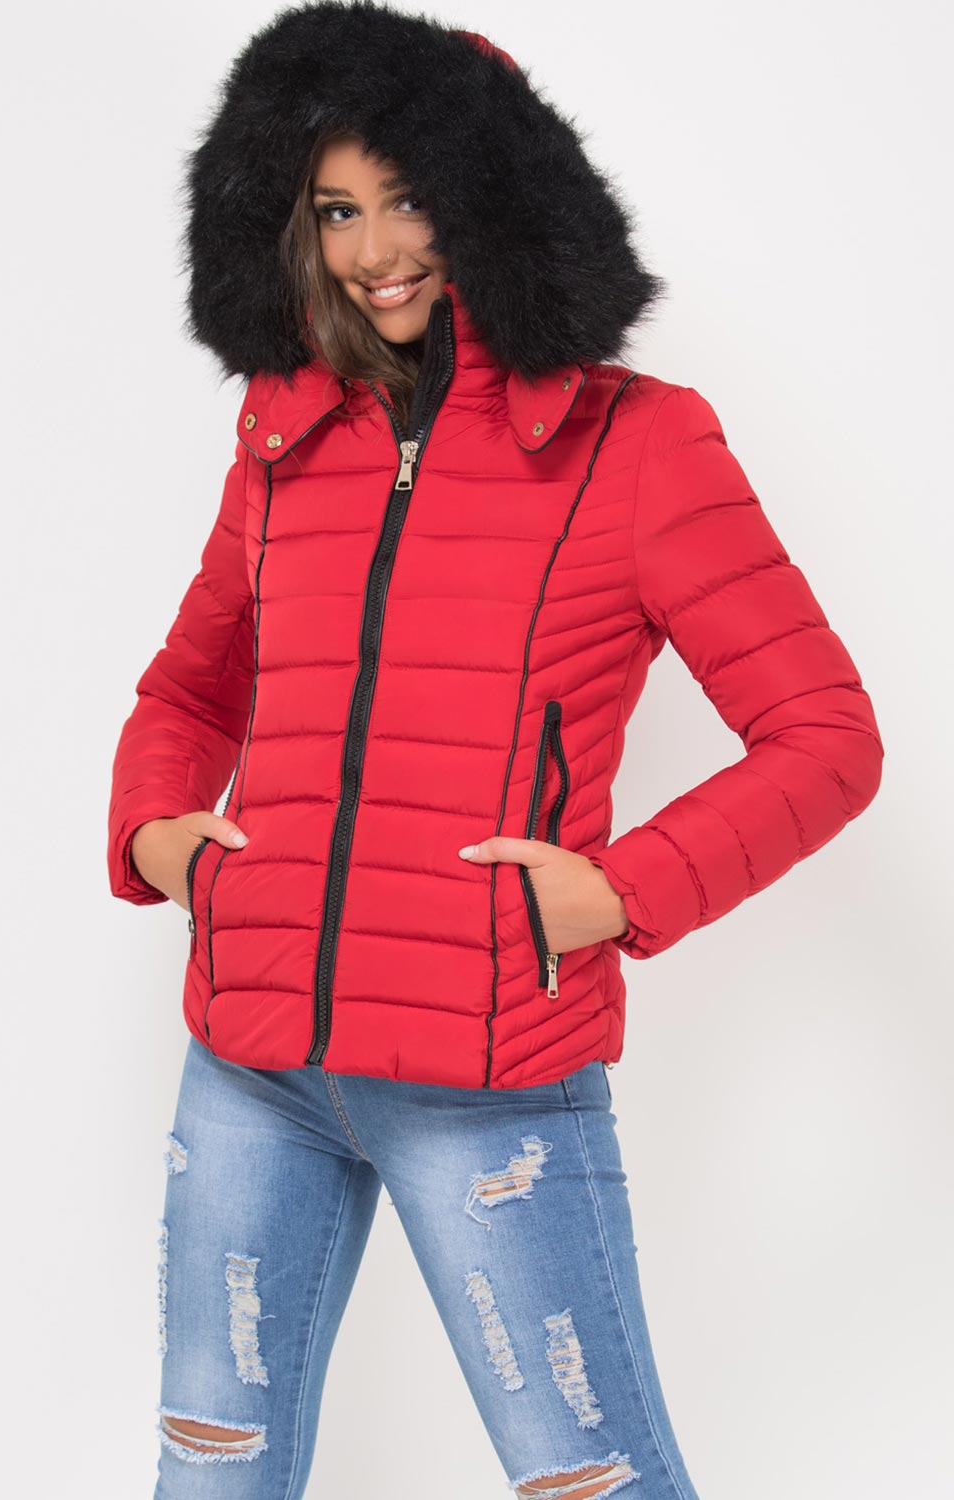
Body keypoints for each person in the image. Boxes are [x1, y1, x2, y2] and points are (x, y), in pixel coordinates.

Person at [106, 4, 884, 1496]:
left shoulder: (641, 444)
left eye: (411, 198)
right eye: (337, 209)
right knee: (209, 1471)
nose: (376, 250)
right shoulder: (286, 437)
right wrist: (158, 836)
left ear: (498, 195)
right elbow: (191, 689)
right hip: (250, 1070)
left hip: (491, 1083)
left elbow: (827, 738)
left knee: (590, 1479)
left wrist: (619, 893)